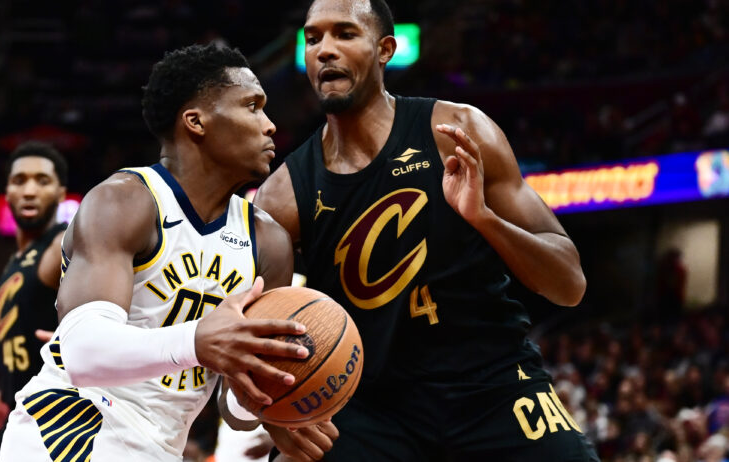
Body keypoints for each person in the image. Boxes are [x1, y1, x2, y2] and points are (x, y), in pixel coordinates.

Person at [254, 0, 600, 460]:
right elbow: (258, 337)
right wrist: (275, 416)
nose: (325, 50)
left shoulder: (457, 132)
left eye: (345, 34)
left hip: (493, 385)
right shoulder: (282, 196)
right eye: (313, 38)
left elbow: (569, 284)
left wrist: (484, 218)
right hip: (371, 408)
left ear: (385, 49)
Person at [0, 43, 336, 462]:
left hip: (159, 447)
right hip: (68, 430)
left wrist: (272, 403)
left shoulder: (268, 241)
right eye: (252, 107)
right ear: (196, 121)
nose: (269, 126)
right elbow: (82, 352)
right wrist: (197, 341)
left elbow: (234, 408)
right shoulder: (124, 201)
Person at [0, 142, 68, 435]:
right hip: (19, 418)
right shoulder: (16, 260)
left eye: (42, 181)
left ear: (61, 193)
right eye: (19, 180)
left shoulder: (63, 245)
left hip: (55, 425)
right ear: (7, 192)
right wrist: (5, 393)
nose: (29, 191)